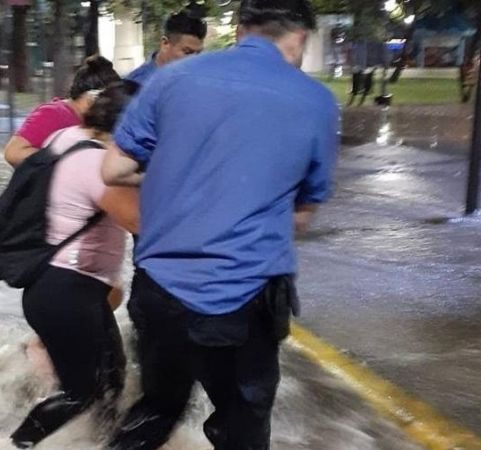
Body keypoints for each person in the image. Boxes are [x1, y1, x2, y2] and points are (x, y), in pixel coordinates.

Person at [101, 0, 339, 448]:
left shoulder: (169, 79)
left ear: (241, 28)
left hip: (159, 292)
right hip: (245, 301)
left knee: (156, 408)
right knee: (242, 428)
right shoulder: (316, 101)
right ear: (299, 38)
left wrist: (176, 179)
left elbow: (112, 171)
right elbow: (303, 214)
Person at [10, 81, 140, 449]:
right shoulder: (97, 162)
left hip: (66, 287)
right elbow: (139, 221)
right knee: (80, 392)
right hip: (66, 291)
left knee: (112, 380)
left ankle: (101, 443)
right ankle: (15, 443)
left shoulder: (67, 136)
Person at [3, 56, 121, 167]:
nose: (110, 109)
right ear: (91, 98)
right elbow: (13, 153)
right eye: (109, 102)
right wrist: (64, 159)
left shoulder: (85, 120)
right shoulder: (52, 114)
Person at [124, 6, 207, 86]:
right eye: (187, 52)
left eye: (198, 53)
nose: (194, 59)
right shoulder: (136, 85)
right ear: (165, 43)